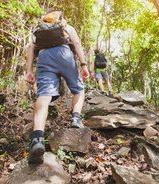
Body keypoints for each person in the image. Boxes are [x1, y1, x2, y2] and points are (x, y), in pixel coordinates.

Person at [25, 11, 89, 164]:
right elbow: (77, 44)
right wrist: (84, 64)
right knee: (79, 90)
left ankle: (37, 139)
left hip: (44, 56)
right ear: (60, 19)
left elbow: (31, 47)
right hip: (65, 55)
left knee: (44, 95)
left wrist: (28, 70)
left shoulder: (40, 31)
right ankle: (75, 119)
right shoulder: (66, 27)